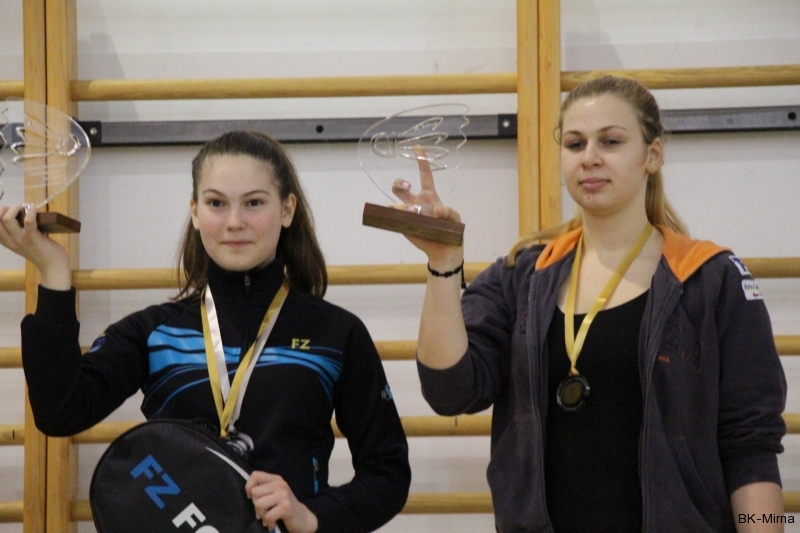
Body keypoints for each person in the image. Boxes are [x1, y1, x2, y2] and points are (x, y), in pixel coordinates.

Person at [392, 76, 787, 532]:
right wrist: (444, 263)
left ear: (652, 155)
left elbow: (751, 445)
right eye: (575, 144)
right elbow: (450, 391)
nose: (590, 157)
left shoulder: (711, 279)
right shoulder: (521, 276)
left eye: (611, 141)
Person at [0, 131, 411, 533]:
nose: (234, 222)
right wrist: (52, 271)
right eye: (216, 203)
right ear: (195, 212)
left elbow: (387, 471)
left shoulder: (335, 335)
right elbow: (60, 412)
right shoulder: (155, 332)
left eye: (254, 203)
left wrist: (313, 517)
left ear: (287, 210)